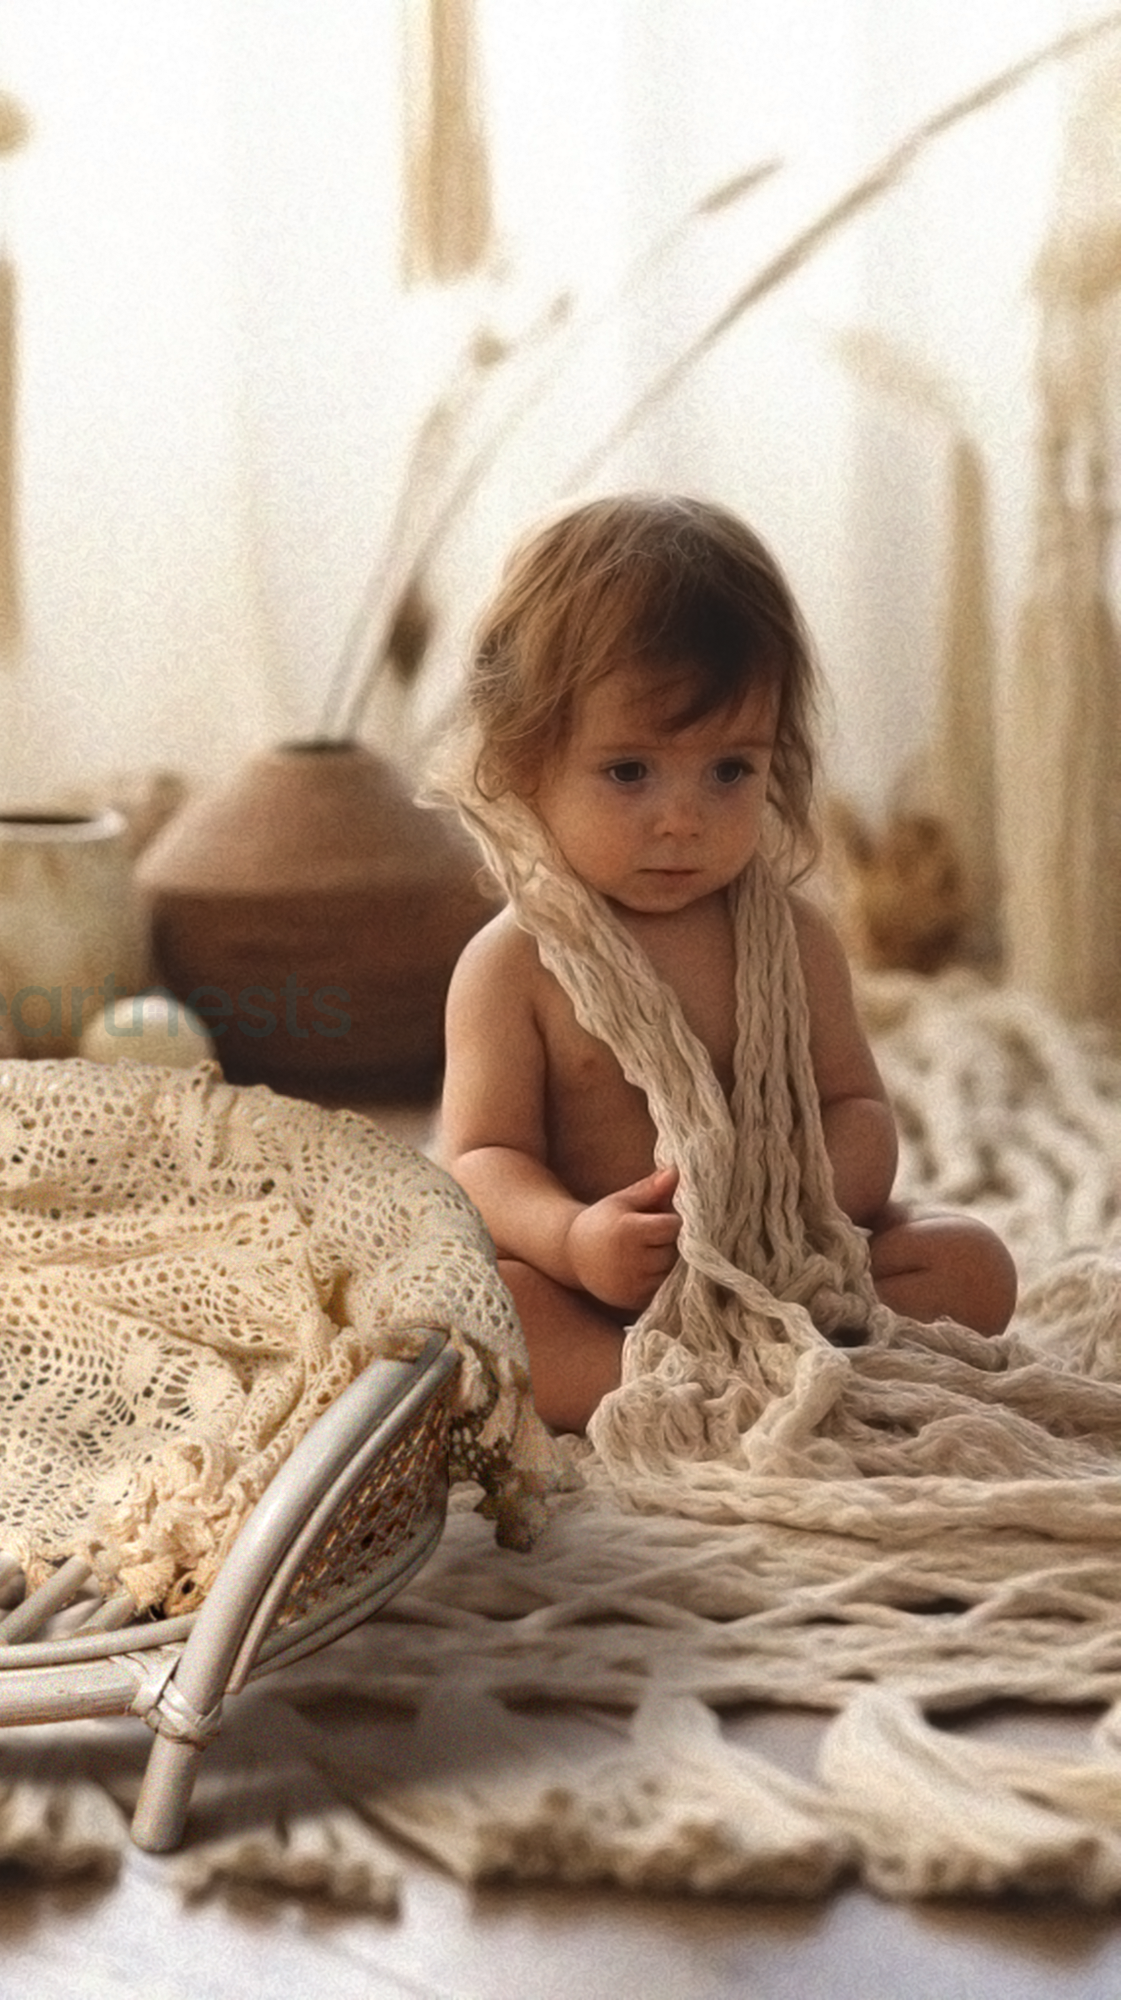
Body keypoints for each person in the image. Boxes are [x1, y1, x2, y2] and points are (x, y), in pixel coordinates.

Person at [431, 492, 1017, 1434]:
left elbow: (857, 1106)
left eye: (730, 769)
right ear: (523, 761)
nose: (684, 816)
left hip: (786, 1263)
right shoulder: (514, 966)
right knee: (480, 1311)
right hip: (605, 1283)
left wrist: (804, 1196)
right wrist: (577, 1241)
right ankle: (657, 1381)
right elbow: (481, 1160)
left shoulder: (793, 940)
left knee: (971, 1262)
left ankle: (771, 1355)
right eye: (630, 772)